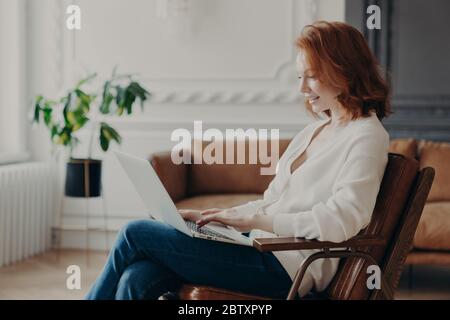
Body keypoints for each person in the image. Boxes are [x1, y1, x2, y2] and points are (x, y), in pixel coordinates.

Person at [86, 21, 391, 300]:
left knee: (134, 233)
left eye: (312, 76)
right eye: (300, 77)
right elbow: (272, 202)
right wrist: (222, 216)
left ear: (344, 69)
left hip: (286, 267)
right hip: (256, 247)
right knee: (136, 277)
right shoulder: (315, 130)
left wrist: (257, 222)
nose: (301, 89)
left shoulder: (366, 136)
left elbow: (344, 219)